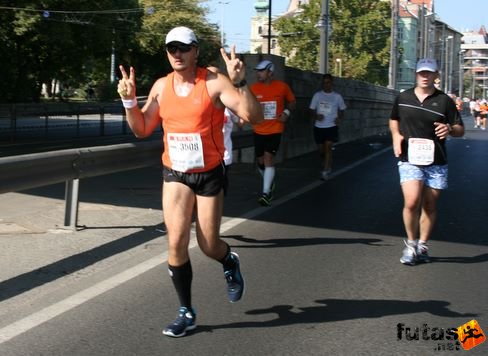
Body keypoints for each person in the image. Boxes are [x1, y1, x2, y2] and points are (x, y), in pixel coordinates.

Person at [117, 26, 263, 337]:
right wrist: (130, 102)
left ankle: (228, 260)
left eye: (183, 48)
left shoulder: (213, 83)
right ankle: (187, 311)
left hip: (209, 173)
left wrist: (241, 83)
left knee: (208, 244)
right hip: (175, 173)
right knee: (175, 241)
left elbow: (255, 117)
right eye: (172, 49)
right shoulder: (161, 87)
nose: (177, 54)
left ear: (195, 50)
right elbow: (141, 129)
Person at [389, 58, 464, 266]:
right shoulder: (403, 97)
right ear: (416, 74)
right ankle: (411, 244)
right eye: (421, 73)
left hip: (436, 160)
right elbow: (393, 119)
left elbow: (460, 129)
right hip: (409, 158)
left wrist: (449, 129)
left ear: (436, 75)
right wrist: (396, 135)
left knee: (430, 205)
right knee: (412, 201)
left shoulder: (444, 101)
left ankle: (423, 245)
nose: (425, 76)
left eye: (429, 73)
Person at [249, 59, 296, 206]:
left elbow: (292, 102)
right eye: (257, 71)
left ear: (270, 72)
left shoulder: (282, 87)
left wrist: (286, 113)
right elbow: (247, 105)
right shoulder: (253, 88)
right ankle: (269, 182)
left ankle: (266, 193)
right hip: (259, 129)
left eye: (261, 71)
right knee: (260, 161)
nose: (258, 74)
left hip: (275, 129)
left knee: (269, 158)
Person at [309, 73, 347, 180]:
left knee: (328, 147)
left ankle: (325, 171)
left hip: (331, 126)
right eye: (324, 83)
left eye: (328, 82)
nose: (326, 85)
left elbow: (343, 110)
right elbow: (311, 110)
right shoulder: (317, 95)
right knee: (322, 150)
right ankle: (327, 162)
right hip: (319, 127)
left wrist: (339, 118)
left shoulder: (337, 97)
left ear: (332, 83)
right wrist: (316, 116)